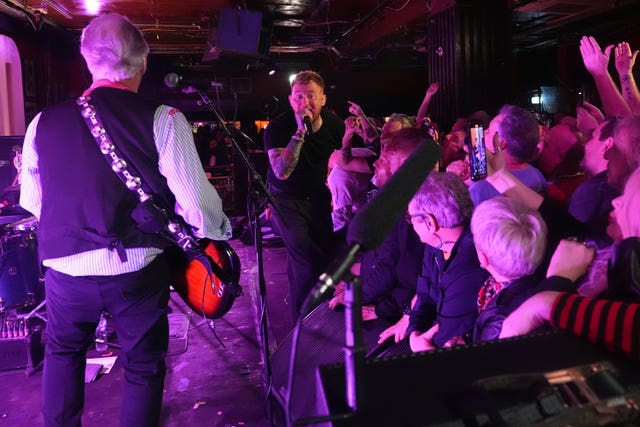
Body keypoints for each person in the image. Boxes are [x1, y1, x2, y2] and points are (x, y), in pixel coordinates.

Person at [19, 13, 231, 427]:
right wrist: (218, 234)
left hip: (65, 271)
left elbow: (34, 202)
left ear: (87, 60)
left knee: (63, 354)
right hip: (136, 270)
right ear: (144, 63)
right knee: (144, 365)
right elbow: (198, 208)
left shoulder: (41, 123)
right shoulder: (164, 119)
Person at [263, 70, 344, 321]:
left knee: (322, 257)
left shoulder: (334, 125)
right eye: (298, 96)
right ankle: (304, 324)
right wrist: (300, 133)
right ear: (290, 100)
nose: (304, 102)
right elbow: (281, 172)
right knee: (305, 260)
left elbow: (344, 154)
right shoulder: (278, 127)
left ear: (323, 99)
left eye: (311, 96)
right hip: (285, 201)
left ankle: (320, 312)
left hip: (317, 198)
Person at [329, 127, 429, 323]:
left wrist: (362, 299)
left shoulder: (409, 214)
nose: (375, 163)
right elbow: (376, 258)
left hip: (389, 314)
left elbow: (405, 279)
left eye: (383, 160)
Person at [405, 172, 489, 352]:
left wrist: (419, 342)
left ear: (429, 221)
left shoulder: (472, 266)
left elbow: (447, 334)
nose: (410, 224)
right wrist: (414, 334)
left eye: (411, 218)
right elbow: (423, 297)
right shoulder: (435, 245)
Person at [469, 105, 547, 206]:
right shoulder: (538, 176)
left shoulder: (480, 188)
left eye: (488, 131)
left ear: (501, 142)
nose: (484, 132)